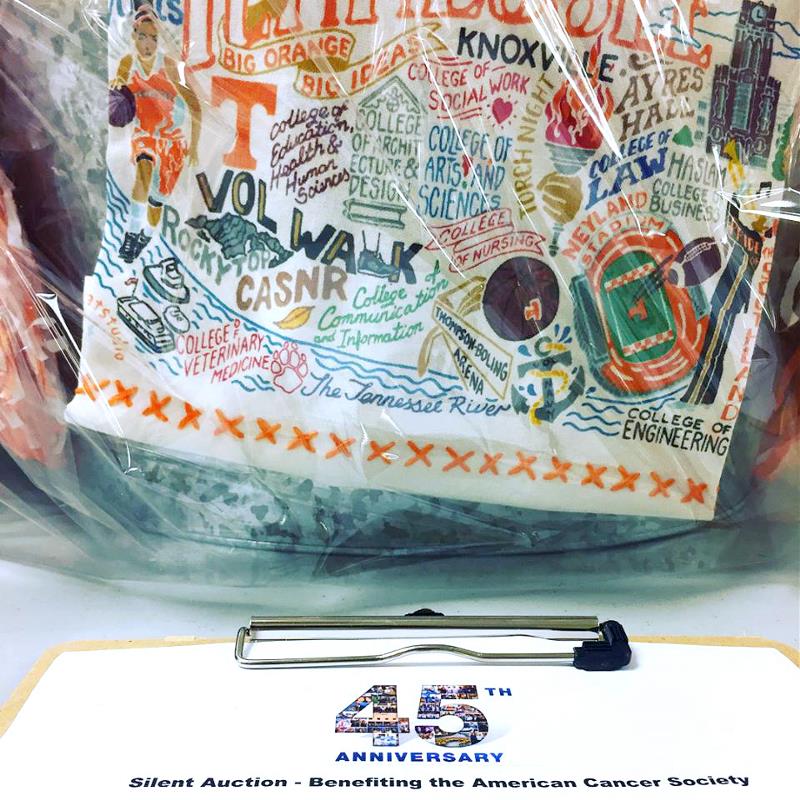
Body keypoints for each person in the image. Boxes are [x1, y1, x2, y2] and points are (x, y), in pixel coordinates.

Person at [111, 1, 201, 264]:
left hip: (172, 140)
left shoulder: (170, 66)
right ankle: (131, 235)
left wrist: (195, 146)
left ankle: (146, 236)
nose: (147, 44)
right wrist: (116, 88)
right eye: (142, 37)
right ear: (133, 36)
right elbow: (118, 84)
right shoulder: (128, 62)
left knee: (156, 202)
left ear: (159, 39)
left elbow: (195, 106)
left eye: (152, 38)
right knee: (143, 171)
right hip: (145, 135)